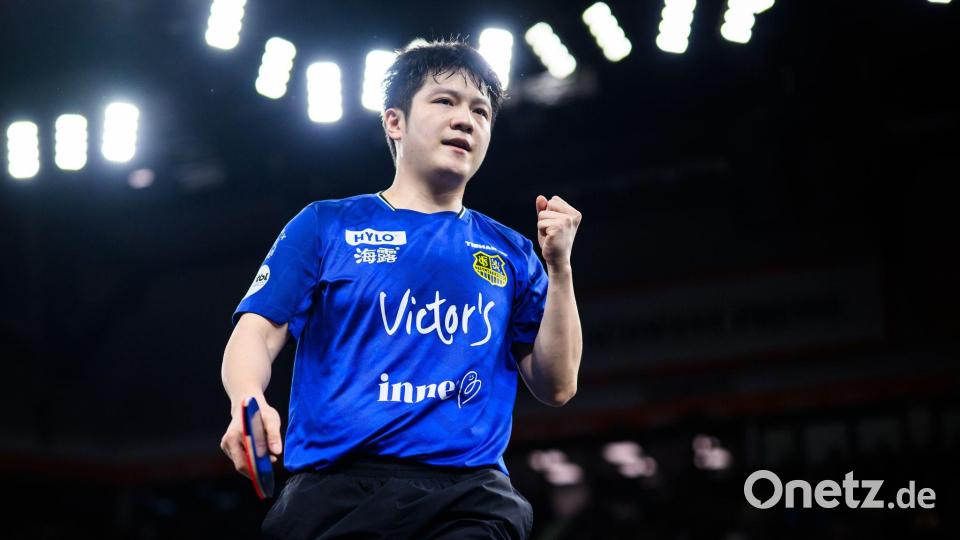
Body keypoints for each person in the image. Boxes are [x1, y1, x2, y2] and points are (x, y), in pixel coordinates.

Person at [219, 38, 583, 539]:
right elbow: (257, 332)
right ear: (395, 122)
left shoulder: (513, 252)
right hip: (335, 494)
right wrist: (247, 399)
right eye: (445, 101)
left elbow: (557, 384)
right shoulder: (325, 226)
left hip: (467, 497)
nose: (466, 119)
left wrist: (558, 269)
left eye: (481, 111)